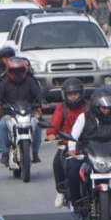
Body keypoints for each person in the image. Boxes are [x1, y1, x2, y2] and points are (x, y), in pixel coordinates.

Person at [66, 87, 111, 220]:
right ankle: (77, 204)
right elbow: (74, 135)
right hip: (87, 154)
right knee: (73, 173)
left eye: (109, 108)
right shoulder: (83, 117)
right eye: (104, 108)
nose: (107, 111)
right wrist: (72, 149)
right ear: (96, 106)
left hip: (108, 154)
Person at [0, 57, 44, 167]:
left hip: (27, 111)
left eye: (19, 71)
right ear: (9, 71)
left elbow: (37, 92)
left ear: (23, 70)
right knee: (2, 124)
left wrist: (42, 101)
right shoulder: (4, 82)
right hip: (10, 112)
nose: (17, 73)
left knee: (38, 124)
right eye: (14, 71)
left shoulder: (30, 80)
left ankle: (35, 152)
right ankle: (4, 152)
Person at [46, 78, 87, 209]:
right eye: (70, 94)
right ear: (65, 95)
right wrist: (51, 133)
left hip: (86, 144)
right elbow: (55, 121)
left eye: (76, 93)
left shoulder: (88, 106)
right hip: (66, 144)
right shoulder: (61, 107)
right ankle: (61, 191)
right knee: (57, 163)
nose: (73, 97)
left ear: (81, 93)